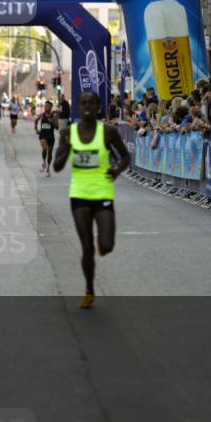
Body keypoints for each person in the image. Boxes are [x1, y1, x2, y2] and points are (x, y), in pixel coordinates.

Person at [51, 91, 130, 309]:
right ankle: (89, 291)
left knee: (106, 244)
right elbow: (56, 167)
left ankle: (102, 247)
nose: (87, 106)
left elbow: (126, 156)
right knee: (86, 247)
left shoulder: (108, 132)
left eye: (91, 103)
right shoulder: (68, 132)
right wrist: (65, 150)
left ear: (98, 107)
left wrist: (116, 171)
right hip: (79, 194)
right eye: (83, 102)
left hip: (103, 192)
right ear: (77, 106)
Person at [34, 100, 58, 177]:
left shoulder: (54, 116)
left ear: (51, 107)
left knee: (50, 154)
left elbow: (57, 127)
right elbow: (36, 120)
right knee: (44, 149)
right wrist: (36, 129)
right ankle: (44, 163)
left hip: (50, 135)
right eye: (45, 106)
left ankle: (48, 167)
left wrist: (53, 122)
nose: (45, 107)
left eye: (47, 106)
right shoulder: (42, 115)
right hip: (43, 134)